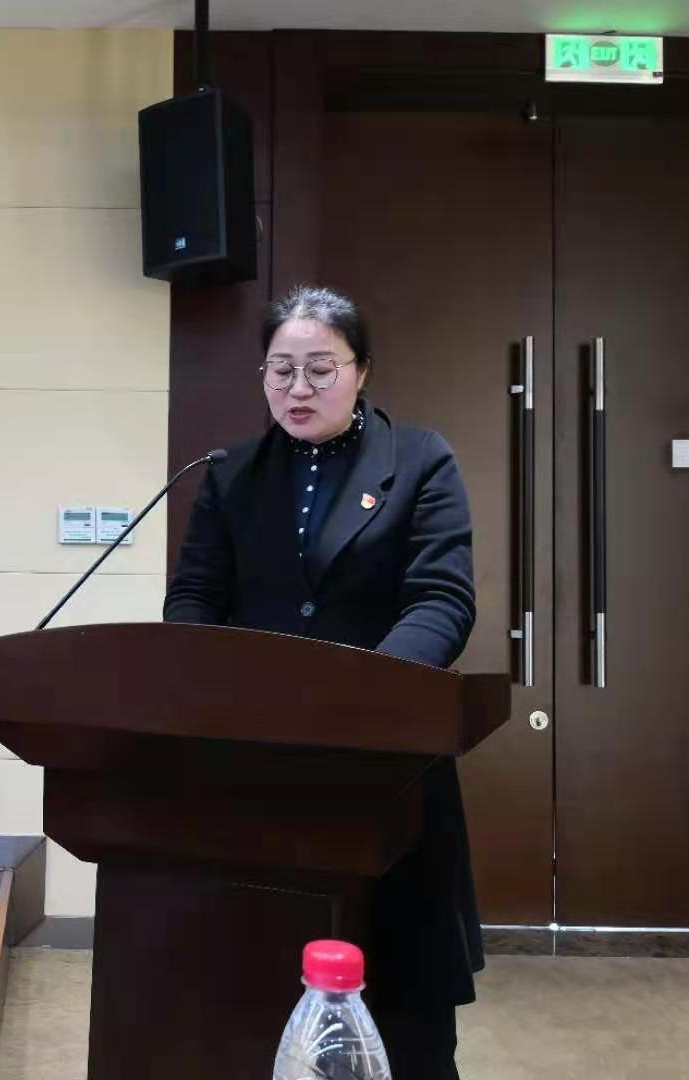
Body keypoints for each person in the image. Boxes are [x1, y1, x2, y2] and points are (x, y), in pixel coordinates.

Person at [165, 285, 480, 1079]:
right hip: (257, 763)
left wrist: (363, 693)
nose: (297, 388)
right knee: (253, 992)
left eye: (320, 369)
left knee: (403, 1006)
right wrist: (202, 683)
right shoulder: (231, 473)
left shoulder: (420, 461)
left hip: (385, 760)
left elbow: (441, 599)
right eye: (281, 370)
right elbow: (195, 596)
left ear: (362, 370)